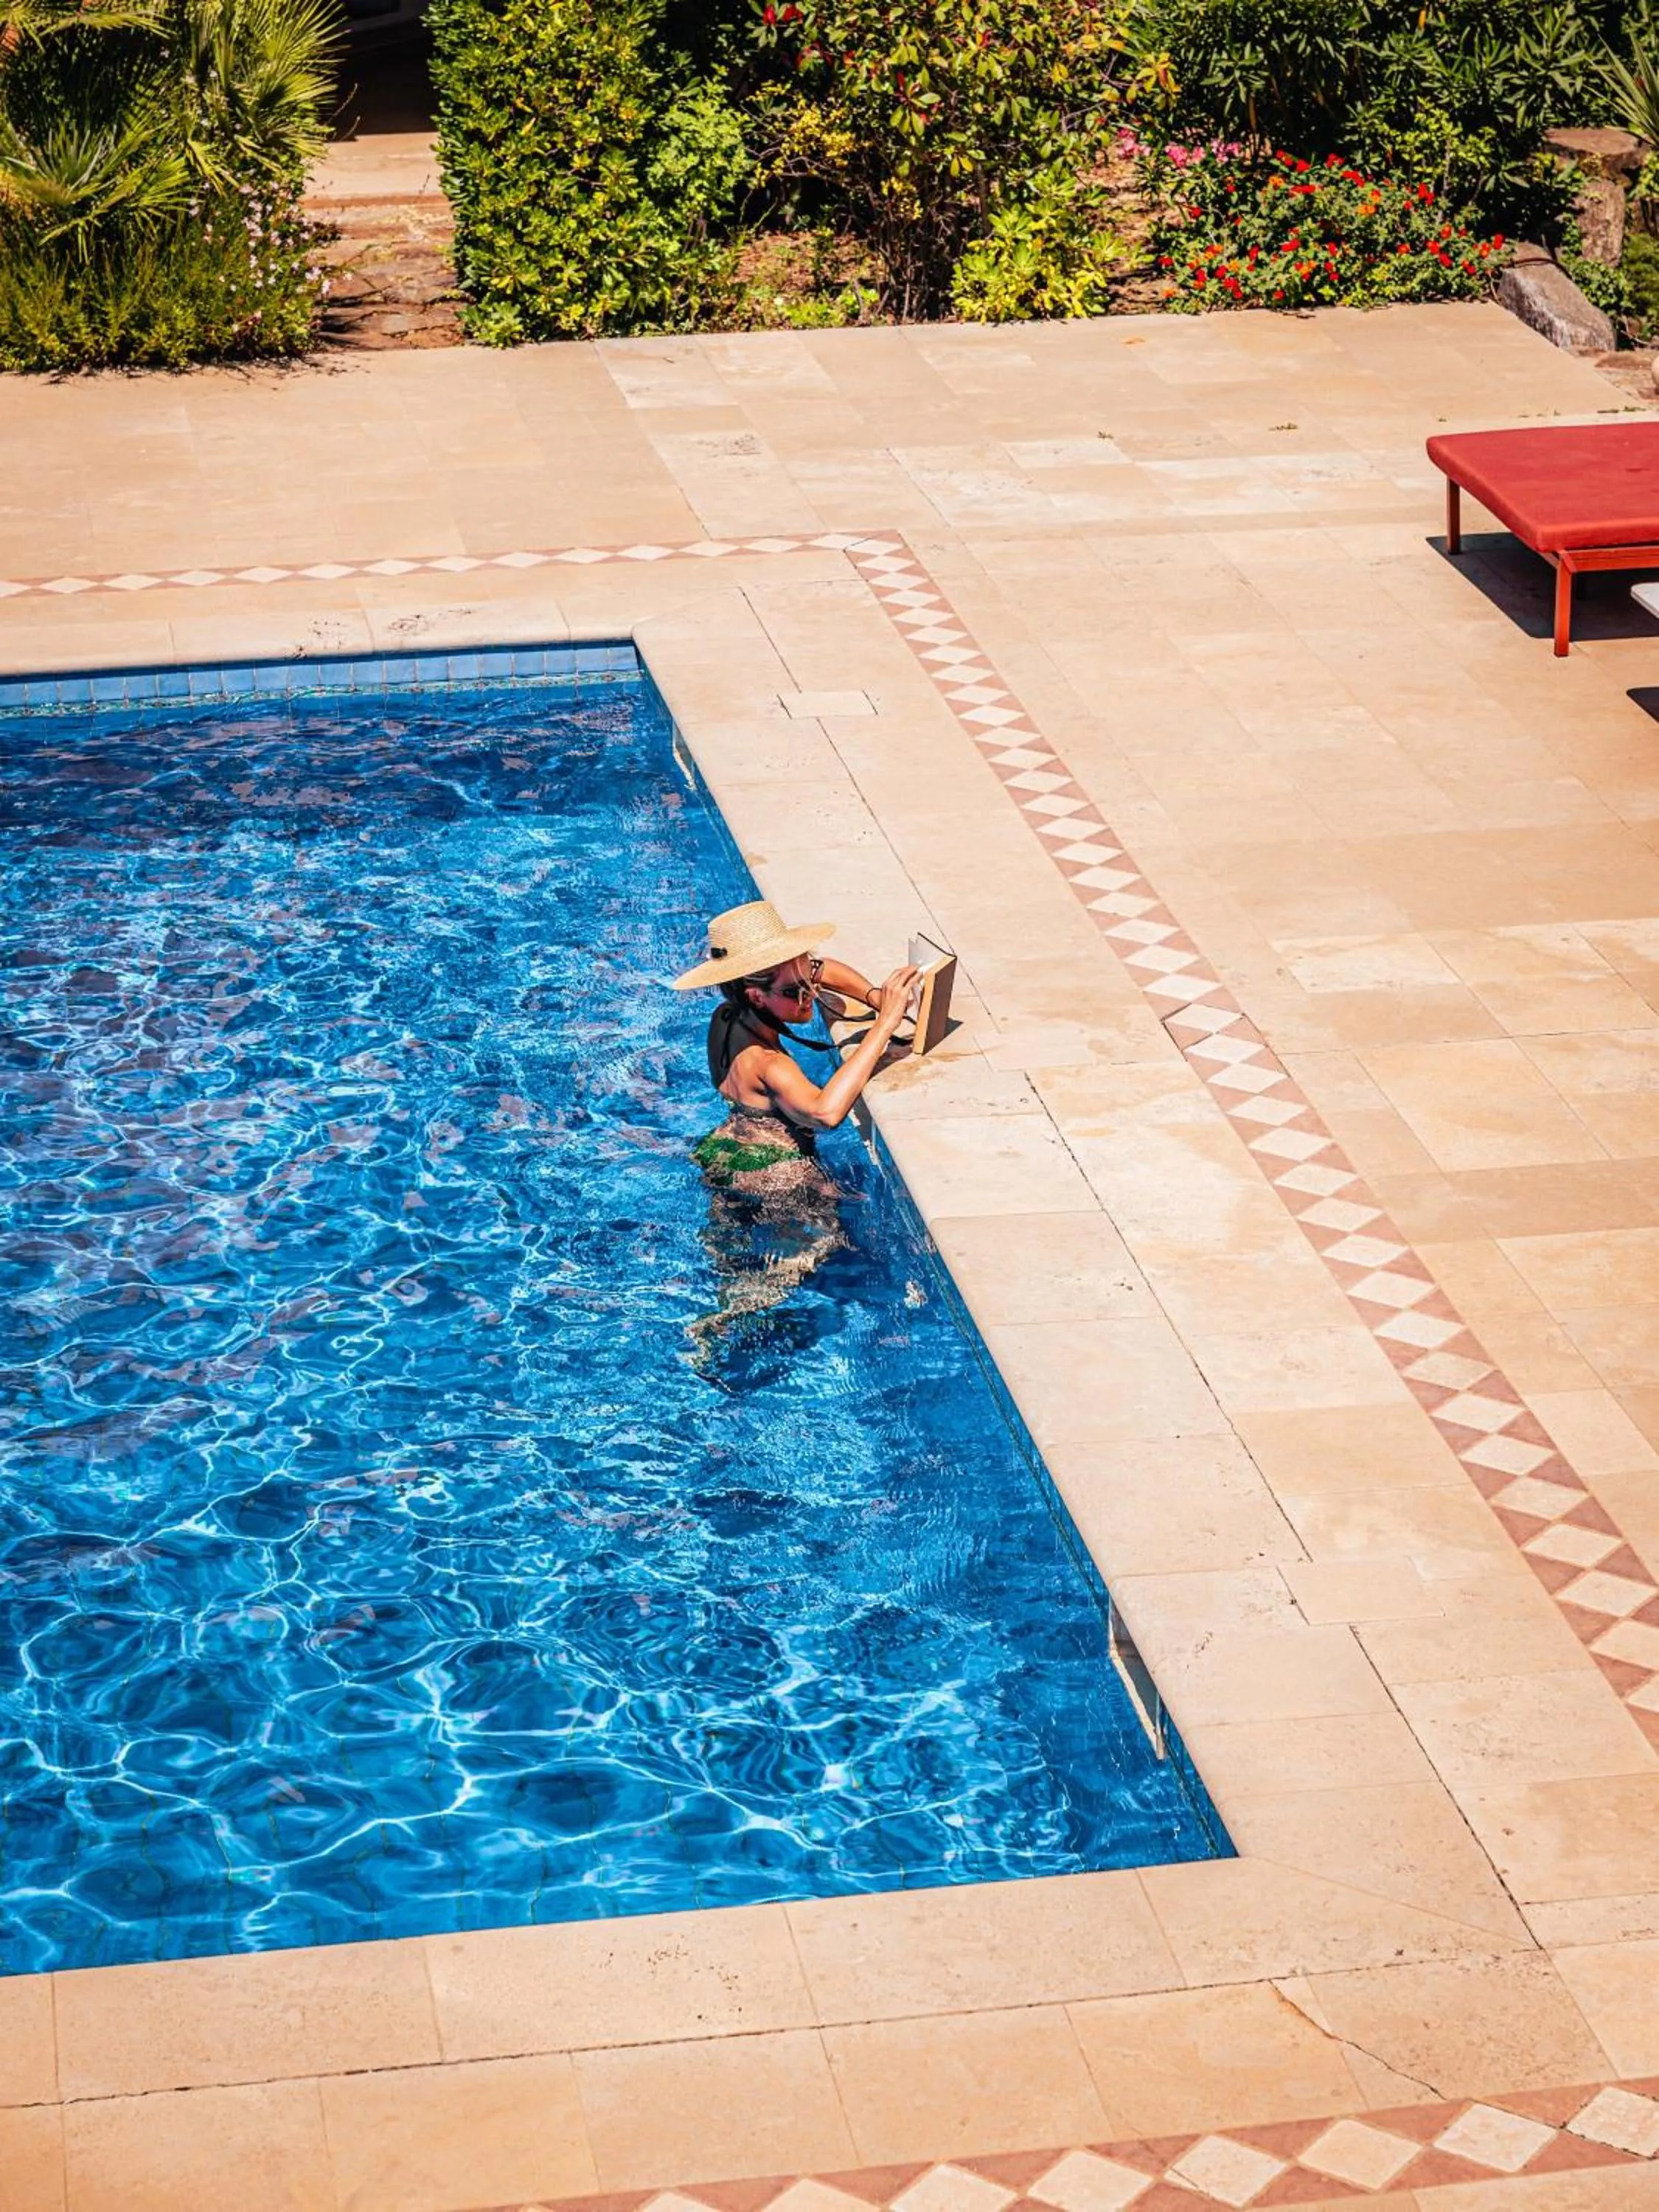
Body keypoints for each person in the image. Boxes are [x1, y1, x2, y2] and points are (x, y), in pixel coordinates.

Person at [671, 901, 919, 1356]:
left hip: (729, 1150)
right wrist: (885, 1025)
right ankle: (725, 1321)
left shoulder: (726, 1020)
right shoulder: (767, 1064)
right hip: (777, 1174)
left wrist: (872, 995)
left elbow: (822, 973)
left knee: (732, 1250)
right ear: (757, 996)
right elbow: (826, 1113)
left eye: (809, 980)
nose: (809, 995)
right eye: (796, 991)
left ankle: (725, 1304)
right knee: (813, 1251)